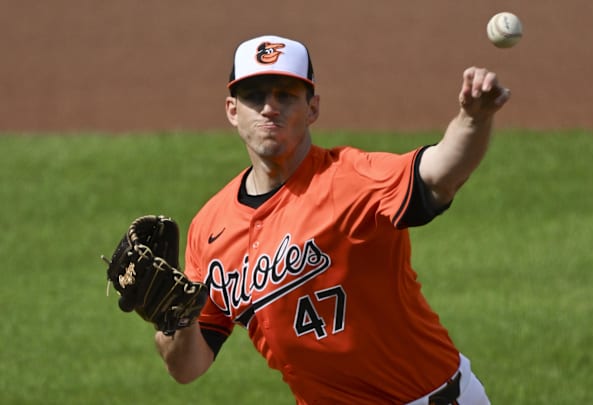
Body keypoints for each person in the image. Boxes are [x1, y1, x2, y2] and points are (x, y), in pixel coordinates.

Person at [154, 34, 510, 405]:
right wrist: (172, 316)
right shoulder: (210, 226)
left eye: (286, 95)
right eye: (255, 96)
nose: (269, 107)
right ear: (232, 110)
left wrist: (473, 119)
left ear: (312, 109)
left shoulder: (354, 178)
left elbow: (439, 173)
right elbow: (187, 368)